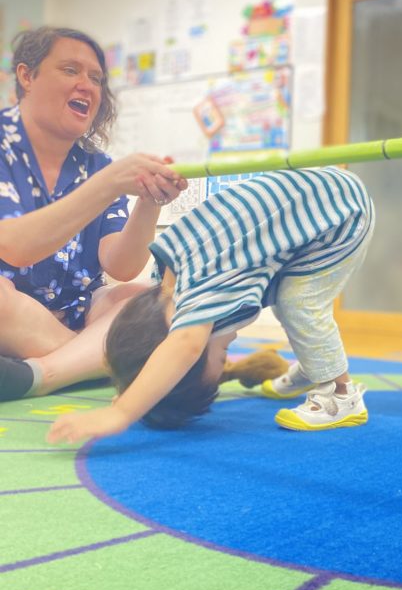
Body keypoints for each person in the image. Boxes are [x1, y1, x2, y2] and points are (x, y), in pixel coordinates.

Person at [47, 166, 374, 443]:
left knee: (297, 302)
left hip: (340, 213)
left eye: (221, 352)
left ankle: (341, 395)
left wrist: (122, 412)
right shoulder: (171, 274)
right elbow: (164, 344)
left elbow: (185, 344)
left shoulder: (198, 292)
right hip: (319, 202)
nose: (232, 341)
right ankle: (314, 365)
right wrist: (136, 384)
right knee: (283, 294)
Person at [0, 26, 188, 402]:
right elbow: (15, 246)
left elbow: (121, 266)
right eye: (70, 70)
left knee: (159, 300)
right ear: (27, 76)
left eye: (96, 78)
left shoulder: (98, 164)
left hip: (79, 309)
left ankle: (44, 372)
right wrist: (110, 183)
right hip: (11, 312)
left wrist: (150, 201)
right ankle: (94, 360)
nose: (87, 85)